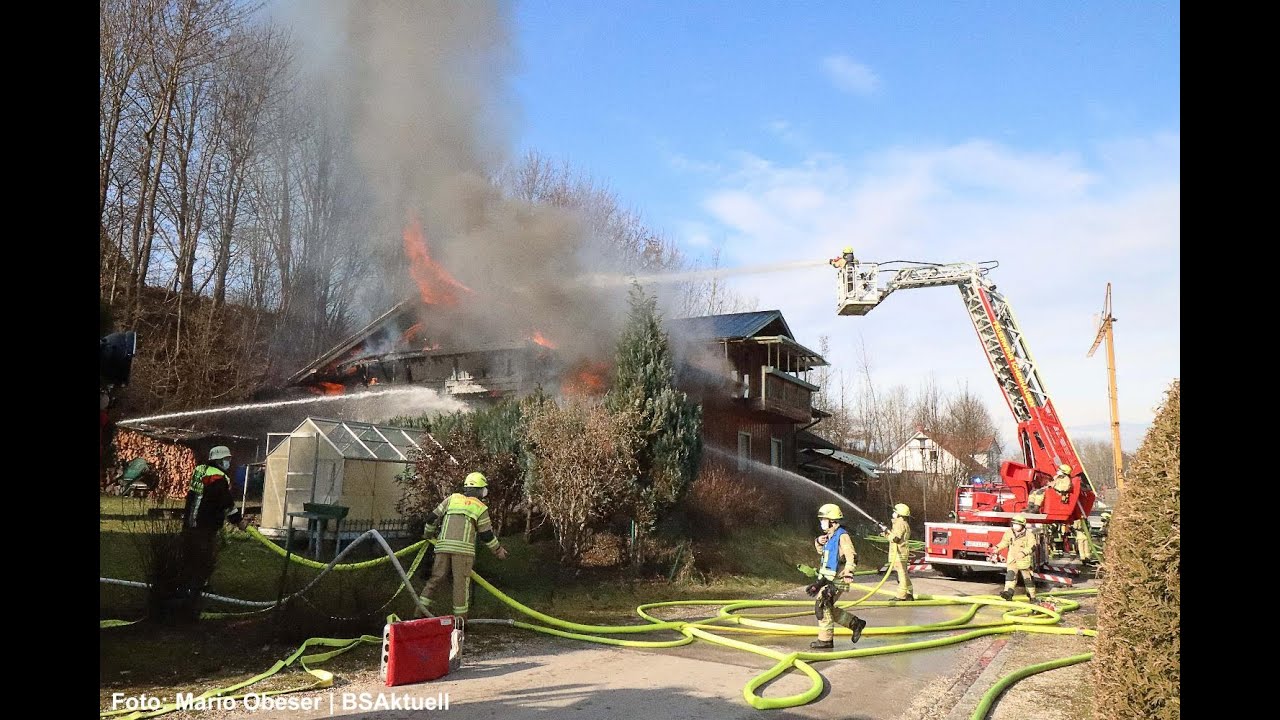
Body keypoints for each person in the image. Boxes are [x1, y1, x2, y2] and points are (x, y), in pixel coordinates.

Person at [419, 472, 509, 625]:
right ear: (481, 490)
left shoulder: (451, 499)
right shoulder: (480, 507)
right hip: (463, 552)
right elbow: (486, 535)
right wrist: (499, 551)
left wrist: (427, 535)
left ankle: (418, 614)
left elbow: (431, 519)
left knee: (435, 579)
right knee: (460, 585)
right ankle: (461, 623)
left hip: (442, 548)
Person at [181, 446, 247, 597]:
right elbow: (225, 502)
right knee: (203, 556)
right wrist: (238, 521)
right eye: (226, 459)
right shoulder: (217, 477)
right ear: (218, 460)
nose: (229, 462)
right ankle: (198, 588)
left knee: (190, 555)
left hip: (191, 521)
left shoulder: (200, 470)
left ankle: (186, 584)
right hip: (205, 523)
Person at [806, 504, 867, 648]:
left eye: (824, 519)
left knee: (822, 604)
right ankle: (855, 623)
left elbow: (851, 555)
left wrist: (849, 572)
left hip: (839, 578)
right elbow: (826, 555)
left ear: (832, 520)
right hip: (829, 578)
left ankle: (826, 640)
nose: (822, 522)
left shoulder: (842, 535)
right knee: (827, 607)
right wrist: (818, 543)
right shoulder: (829, 536)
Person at [991, 515, 1037, 602]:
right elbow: (1005, 542)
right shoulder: (1010, 532)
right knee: (1010, 576)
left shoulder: (1029, 535)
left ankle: (1032, 597)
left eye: (1017, 524)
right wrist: (997, 548)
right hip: (1012, 559)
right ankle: (1008, 593)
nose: (1015, 526)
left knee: (1028, 579)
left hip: (1023, 560)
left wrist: (1023, 553)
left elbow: (1032, 546)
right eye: (1014, 524)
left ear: (1023, 525)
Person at [883, 503, 915, 601]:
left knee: (901, 574)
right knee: (904, 573)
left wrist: (887, 534)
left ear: (899, 514)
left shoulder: (899, 523)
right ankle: (909, 593)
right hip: (901, 551)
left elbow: (896, 538)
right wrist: (886, 532)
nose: (893, 514)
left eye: (895, 512)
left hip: (899, 552)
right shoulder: (902, 523)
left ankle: (901, 596)